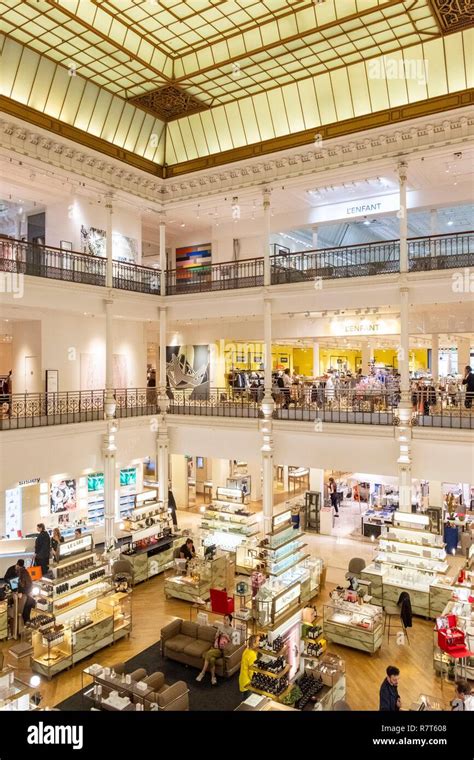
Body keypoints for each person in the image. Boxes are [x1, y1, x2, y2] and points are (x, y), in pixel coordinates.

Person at [196, 614, 233, 686]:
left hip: (221, 650)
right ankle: (213, 678)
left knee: (208, 654)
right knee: (212, 659)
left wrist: (227, 637)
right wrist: (218, 634)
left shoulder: (232, 630)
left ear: (230, 621)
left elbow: (232, 643)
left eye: (227, 619)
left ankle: (202, 673)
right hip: (215, 647)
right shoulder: (220, 627)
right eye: (224, 619)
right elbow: (215, 637)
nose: (225, 621)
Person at [239, 634, 260, 699]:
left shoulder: (247, 650)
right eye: (258, 641)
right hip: (248, 682)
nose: (260, 642)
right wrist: (255, 681)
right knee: (248, 702)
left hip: (242, 679)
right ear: (253, 643)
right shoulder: (252, 655)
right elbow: (251, 671)